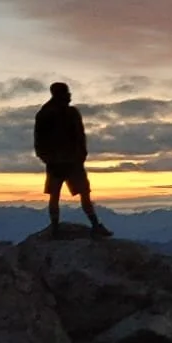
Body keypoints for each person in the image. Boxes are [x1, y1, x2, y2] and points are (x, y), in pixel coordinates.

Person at [33, 81, 112, 239]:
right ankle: (93, 225)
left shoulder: (47, 113)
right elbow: (41, 141)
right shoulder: (54, 114)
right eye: (67, 92)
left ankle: (57, 229)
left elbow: (79, 137)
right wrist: (78, 156)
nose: (70, 95)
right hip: (65, 162)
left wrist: (78, 156)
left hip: (64, 162)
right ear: (59, 94)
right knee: (79, 194)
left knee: (58, 195)